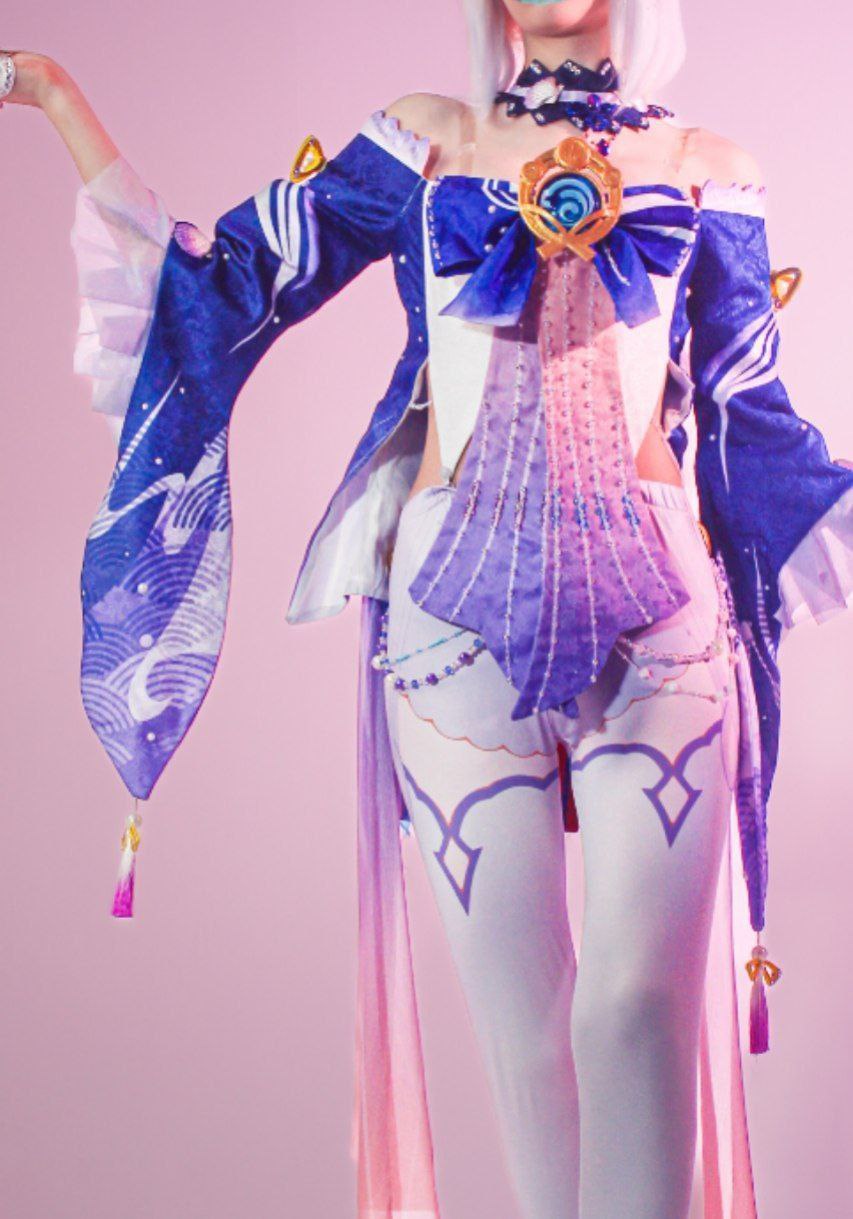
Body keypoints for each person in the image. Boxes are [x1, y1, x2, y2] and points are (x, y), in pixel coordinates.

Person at [3, 2, 851, 1216]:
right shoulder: (421, 142)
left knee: (631, 1005)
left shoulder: (706, 167)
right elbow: (222, 288)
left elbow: (750, 420)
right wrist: (56, 95)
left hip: (661, 621)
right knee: (525, 1034)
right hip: (450, 626)